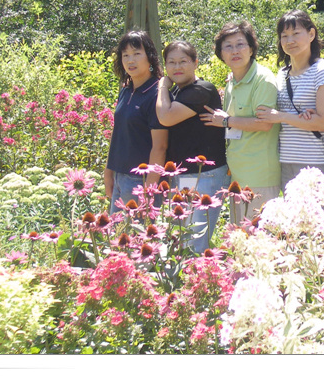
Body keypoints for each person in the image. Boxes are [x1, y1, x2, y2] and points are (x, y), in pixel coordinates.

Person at [200, 21, 280, 224]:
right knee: (239, 236)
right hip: (237, 174)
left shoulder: (262, 79)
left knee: (258, 236)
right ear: (221, 54)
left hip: (259, 176)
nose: (234, 51)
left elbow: (265, 123)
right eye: (228, 46)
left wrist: (226, 121)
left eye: (240, 44)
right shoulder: (232, 82)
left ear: (251, 49)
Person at [155, 40, 228, 252]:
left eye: (183, 61)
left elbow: (166, 117)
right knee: (180, 240)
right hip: (184, 175)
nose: (177, 67)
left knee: (194, 242)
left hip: (204, 175)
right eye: (171, 62)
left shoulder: (201, 90)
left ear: (195, 63)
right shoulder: (179, 92)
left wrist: (162, 86)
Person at [255, 10, 324, 192]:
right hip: (286, 161)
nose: (289, 40)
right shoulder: (282, 74)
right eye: (284, 35)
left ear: (311, 34)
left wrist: (280, 116)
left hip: (316, 162)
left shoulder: (322, 70)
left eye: (295, 33)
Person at [104, 30, 168, 215]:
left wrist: (149, 191)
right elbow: (118, 133)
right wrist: (108, 172)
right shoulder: (126, 90)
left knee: (139, 232)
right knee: (116, 231)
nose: (130, 60)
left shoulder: (157, 94)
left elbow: (160, 146)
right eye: (125, 55)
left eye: (137, 53)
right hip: (119, 175)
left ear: (150, 57)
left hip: (140, 181)